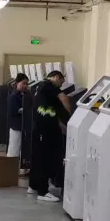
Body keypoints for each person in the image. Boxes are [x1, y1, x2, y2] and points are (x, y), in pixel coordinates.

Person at [29, 70, 70, 202]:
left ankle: (33, 185)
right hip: (45, 129)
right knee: (45, 159)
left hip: (39, 128)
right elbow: (63, 99)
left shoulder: (40, 87)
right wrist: (71, 120)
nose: (60, 86)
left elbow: (53, 108)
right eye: (61, 83)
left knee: (37, 157)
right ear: (56, 77)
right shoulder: (48, 86)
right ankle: (43, 191)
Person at [7, 73, 29, 160]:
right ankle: (11, 167)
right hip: (16, 126)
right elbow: (13, 111)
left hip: (23, 126)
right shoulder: (14, 96)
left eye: (27, 83)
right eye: (23, 83)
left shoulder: (24, 95)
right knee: (14, 149)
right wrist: (25, 109)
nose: (25, 86)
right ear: (17, 83)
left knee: (20, 148)